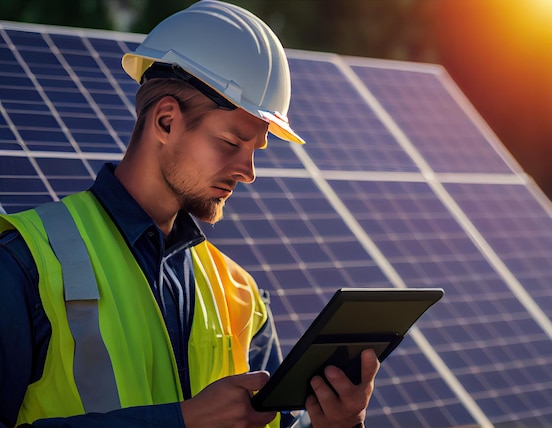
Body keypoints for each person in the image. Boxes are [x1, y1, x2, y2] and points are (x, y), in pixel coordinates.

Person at [0, 1, 380, 427]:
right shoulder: (24, 264)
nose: (249, 173)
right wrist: (181, 421)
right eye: (231, 142)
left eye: (255, 151)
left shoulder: (241, 295)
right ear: (165, 121)